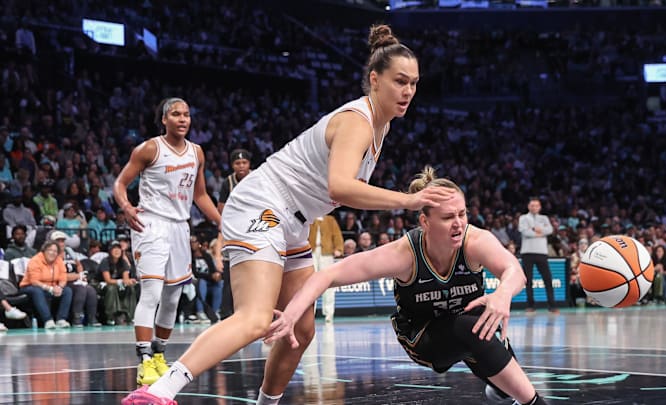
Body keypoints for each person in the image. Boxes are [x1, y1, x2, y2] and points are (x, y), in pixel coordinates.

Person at [123, 24, 454, 405]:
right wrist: (408, 200)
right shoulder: (357, 122)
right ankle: (159, 391)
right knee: (256, 317)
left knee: (301, 327)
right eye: (400, 81)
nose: (408, 91)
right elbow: (340, 188)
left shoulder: (381, 127)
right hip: (264, 205)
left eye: (414, 83)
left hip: (293, 221)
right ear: (375, 80)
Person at [264, 167, 547, 405]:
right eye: (448, 217)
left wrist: (502, 293)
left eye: (462, 214)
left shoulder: (476, 240)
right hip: (422, 336)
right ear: (425, 221)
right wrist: (290, 315)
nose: (459, 223)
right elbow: (326, 276)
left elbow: (514, 271)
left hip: (467, 326)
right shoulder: (404, 254)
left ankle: (498, 388)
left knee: (485, 340)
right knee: (473, 328)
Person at [114, 98, 221, 387]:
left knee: (173, 295)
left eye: (186, 114)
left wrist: (222, 222)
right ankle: (144, 360)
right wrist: (126, 206)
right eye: (176, 114)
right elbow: (120, 183)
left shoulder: (197, 152)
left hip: (178, 226)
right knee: (152, 292)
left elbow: (200, 196)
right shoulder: (149, 148)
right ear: (164, 119)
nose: (183, 119)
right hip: (150, 224)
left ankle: (159, 354)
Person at [217, 149, 253, 320]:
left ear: (249, 164)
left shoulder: (257, 178)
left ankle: (254, 310)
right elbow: (221, 208)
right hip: (235, 231)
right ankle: (226, 315)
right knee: (230, 276)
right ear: (232, 165)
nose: (241, 166)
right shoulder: (227, 183)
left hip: (255, 229)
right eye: (237, 163)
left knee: (254, 274)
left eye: (244, 162)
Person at [18, 241, 73, 329]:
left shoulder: (58, 260)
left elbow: (63, 277)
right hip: (30, 286)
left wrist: (59, 287)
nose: (52, 253)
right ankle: (48, 320)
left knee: (67, 291)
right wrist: (50, 289)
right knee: (37, 291)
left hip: (51, 287)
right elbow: (34, 281)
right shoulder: (35, 260)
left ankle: (61, 320)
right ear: (44, 250)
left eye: (55, 251)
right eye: (50, 250)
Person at [518, 197, 558, 313]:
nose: (534, 207)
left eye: (536, 205)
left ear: (540, 207)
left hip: (541, 252)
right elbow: (524, 231)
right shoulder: (523, 218)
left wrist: (535, 230)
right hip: (527, 252)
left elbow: (550, 230)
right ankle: (530, 305)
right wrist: (539, 231)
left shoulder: (544, 218)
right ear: (528, 206)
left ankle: (552, 305)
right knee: (528, 280)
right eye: (532, 205)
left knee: (548, 279)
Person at [51, 230, 99, 327]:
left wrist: (81, 275)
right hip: (60, 282)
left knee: (91, 290)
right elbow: (59, 276)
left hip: (74, 279)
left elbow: (79, 265)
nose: (61, 243)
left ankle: (92, 318)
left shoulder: (69, 251)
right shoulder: (51, 255)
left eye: (62, 241)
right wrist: (78, 276)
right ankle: (77, 318)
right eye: (58, 241)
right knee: (81, 289)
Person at [309, 214, 344, 323]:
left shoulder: (330, 220)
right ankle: (310, 314)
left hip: (326, 253)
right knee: (310, 283)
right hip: (311, 252)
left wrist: (338, 248)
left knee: (328, 283)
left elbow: (337, 235)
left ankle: (329, 314)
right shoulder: (310, 219)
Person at [97, 240, 138, 325]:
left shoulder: (123, 262)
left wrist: (130, 281)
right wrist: (121, 281)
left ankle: (130, 316)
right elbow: (108, 280)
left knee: (130, 287)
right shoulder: (105, 261)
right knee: (112, 288)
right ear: (110, 251)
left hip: (116, 284)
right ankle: (110, 317)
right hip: (101, 284)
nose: (117, 251)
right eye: (114, 248)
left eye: (118, 248)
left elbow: (126, 279)